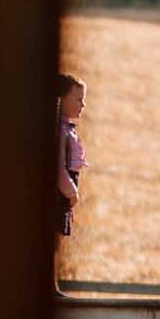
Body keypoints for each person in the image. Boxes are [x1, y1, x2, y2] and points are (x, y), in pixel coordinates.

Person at [56, 74, 87, 297]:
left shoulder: (67, 129)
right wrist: (71, 193)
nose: (82, 105)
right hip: (59, 193)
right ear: (61, 99)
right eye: (78, 99)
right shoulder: (60, 131)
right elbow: (58, 168)